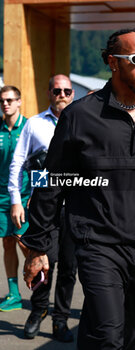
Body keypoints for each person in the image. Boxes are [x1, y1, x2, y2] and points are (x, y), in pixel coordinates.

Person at [21, 29, 135, 350]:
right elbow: (53, 182)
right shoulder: (79, 116)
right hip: (99, 247)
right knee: (109, 335)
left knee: (126, 337)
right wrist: (38, 247)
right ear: (112, 62)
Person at [8, 74, 77, 342]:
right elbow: (18, 163)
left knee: (69, 268)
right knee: (41, 261)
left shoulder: (82, 124)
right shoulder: (34, 124)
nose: (62, 94)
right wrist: (16, 198)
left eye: (67, 90)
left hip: (74, 206)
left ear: (72, 94)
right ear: (49, 93)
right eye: (57, 90)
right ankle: (38, 312)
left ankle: (60, 320)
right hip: (43, 208)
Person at [0, 85, 31, 312]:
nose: (6, 104)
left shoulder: (30, 127)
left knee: (25, 242)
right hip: (1, 197)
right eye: (2, 101)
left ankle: (39, 289)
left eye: (10, 100)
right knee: (7, 242)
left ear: (19, 102)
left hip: (26, 196)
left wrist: (38, 194)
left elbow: (42, 162)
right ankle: (14, 294)